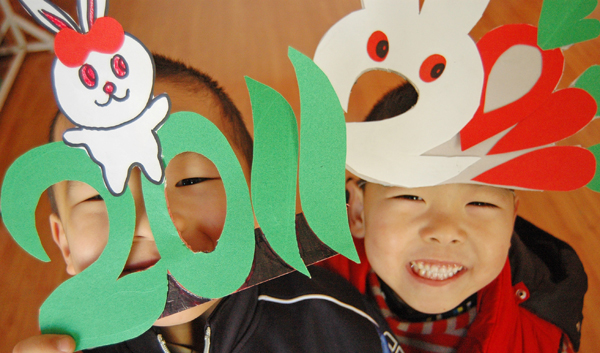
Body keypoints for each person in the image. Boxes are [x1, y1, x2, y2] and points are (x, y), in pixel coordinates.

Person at [13, 54, 389, 353]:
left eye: (191, 180)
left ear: (258, 195)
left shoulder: (334, 321)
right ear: (64, 242)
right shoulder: (71, 346)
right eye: (99, 197)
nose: (149, 225)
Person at [322, 83, 588, 353]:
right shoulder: (296, 286)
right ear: (358, 211)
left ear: (511, 220)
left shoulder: (542, 337)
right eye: (411, 198)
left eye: (480, 203)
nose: (445, 230)